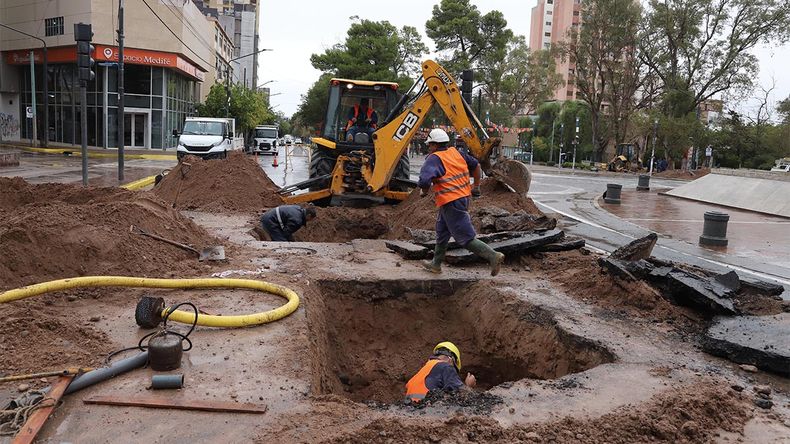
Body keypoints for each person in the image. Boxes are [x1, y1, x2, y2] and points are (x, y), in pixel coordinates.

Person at [418, 128, 505, 276]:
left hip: (451, 201)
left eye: (429, 145)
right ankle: (436, 264)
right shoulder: (456, 153)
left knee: (464, 237)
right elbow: (476, 165)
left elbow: (424, 180)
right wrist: (476, 186)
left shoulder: (434, 158)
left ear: (434, 144)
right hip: (461, 198)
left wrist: (424, 192)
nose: (429, 148)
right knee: (442, 230)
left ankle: (493, 256)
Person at [404, 342, 476, 403]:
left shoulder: (423, 371)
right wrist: (469, 386)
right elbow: (463, 396)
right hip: (427, 412)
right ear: (451, 360)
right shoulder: (446, 367)